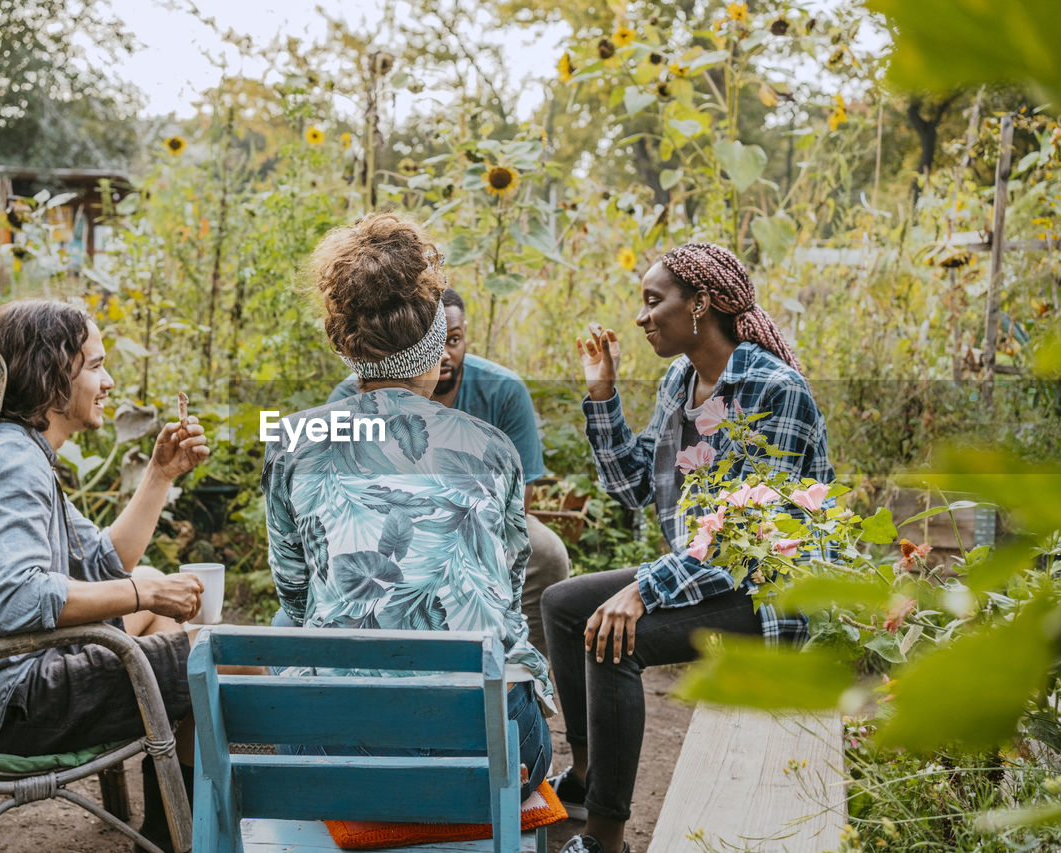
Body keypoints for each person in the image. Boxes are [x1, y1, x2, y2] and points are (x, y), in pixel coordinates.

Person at [541, 243, 834, 853]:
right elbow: (632, 486)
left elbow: (744, 538)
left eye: (654, 302)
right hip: (706, 574)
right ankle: (589, 773)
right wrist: (602, 395)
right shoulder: (681, 380)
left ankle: (604, 834)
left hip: (768, 590)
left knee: (615, 639)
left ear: (701, 303)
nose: (643, 317)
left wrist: (642, 591)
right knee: (566, 605)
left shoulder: (775, 390)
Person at [0, 299, 209, 852]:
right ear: (50, 376)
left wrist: (160, 475)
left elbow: (105, 563)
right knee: (219, 655)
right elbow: (14, 602)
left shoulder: (15, 450)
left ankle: (162, 835)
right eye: (94, 366)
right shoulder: (9, 462)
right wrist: (145, 591)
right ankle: (182, 834)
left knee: (158, 604)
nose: (108, 381)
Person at [262, 212, 554, 799]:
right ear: (432, 343)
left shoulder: (291, 439)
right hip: (489, 741)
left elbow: (294, 594)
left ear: (343, 344)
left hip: (332, 744)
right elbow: (510, 586)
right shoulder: (492, 446)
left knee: (286, 628)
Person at [328, 287, 571, 657]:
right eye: (434, 343)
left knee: (548, 552)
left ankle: (521, 668)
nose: (444, 354)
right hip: (382, 519)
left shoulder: (503, 391)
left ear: (465, 335)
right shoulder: (354, 396)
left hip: (484, 520)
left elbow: (518, 507)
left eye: (454, 340)